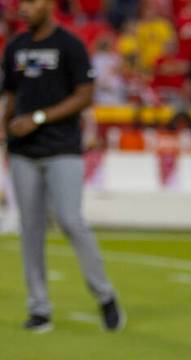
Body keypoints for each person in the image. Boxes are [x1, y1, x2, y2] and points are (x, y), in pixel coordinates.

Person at [2, 0, 123, 333]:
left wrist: (39, 118)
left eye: (32, 2)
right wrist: (5, 128)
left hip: (62, 148)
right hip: (23, 151)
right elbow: (11, 96)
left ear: (49, 5)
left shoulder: (70, 45)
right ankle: (39, 307)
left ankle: (104, 295)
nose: (24, 8)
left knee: (71, 220)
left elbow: (85, 94)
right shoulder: (15, 46)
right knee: (31, 229)